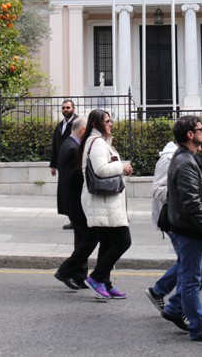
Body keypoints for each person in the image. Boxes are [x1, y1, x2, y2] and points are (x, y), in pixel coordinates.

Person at [159, 116, 202, 343]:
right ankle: (198, 327)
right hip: (189, 231)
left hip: (190, 229)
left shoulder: (188, 158)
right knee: (190, 280)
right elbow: (192, 203)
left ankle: (174, 308)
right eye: (201, 129)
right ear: (190, 135)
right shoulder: (185, 162)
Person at [80, 109, 133, 300]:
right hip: (103, 202)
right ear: (96, 124)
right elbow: (101, 170)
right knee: (123, 241)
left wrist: (121, 168)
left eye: (111, 121)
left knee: (108, 243)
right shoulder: (97, 143)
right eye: (107, 121)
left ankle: (106, 283)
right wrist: (122, 167)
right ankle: (96, 278)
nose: (111, 124)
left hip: (106, 202)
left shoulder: (100, 142)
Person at [54, 116, 99, 291]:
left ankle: (79, 275)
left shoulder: (69, 144)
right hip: (76, 202)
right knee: (90, 238)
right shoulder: (73, 148)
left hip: (72, 201)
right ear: (82, 130)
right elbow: (74, 177)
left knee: (82, 239)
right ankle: (66, 270)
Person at [145, 140, 180, 312]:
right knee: (191, 263)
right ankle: (177, 307)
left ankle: (158, 291)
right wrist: (182, 193)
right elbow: (157, 189)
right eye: (200, 129)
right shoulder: (168, 159)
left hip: (182, 218)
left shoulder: (183, 156)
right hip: (173, 218)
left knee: (189, 262)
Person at [50, 99, 78, 230]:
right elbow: (55, 146)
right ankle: (72, 217)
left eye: (67, 107)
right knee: (64, 193)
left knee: (72, 192)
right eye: (63, 108)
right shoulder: (60, 125)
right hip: (62, 165)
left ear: (73, 109)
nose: (65, 110)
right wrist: (53, 165)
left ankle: (76, 218)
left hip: (73, 164)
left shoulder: (78, 123)